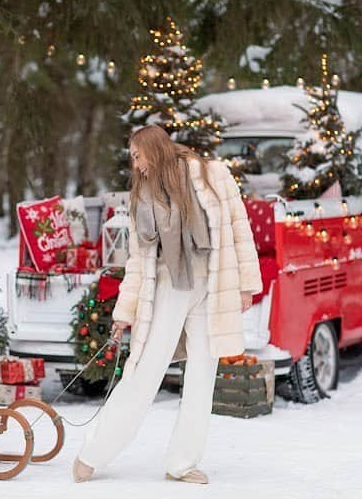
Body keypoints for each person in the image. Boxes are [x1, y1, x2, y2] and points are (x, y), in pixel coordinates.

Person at [73, 125, 263, 484]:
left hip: (212, 284)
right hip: (167, 288)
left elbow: (240, 229)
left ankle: (183, 462)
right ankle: (93, 453)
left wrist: (247, 285)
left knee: (203, 375)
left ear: (155, 149)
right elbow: (137, 259)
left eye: (137, 154)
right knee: (144, 371)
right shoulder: (142, 195)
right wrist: (124, 312)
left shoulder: (212, 175)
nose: (136, 162)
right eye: (132, 156)